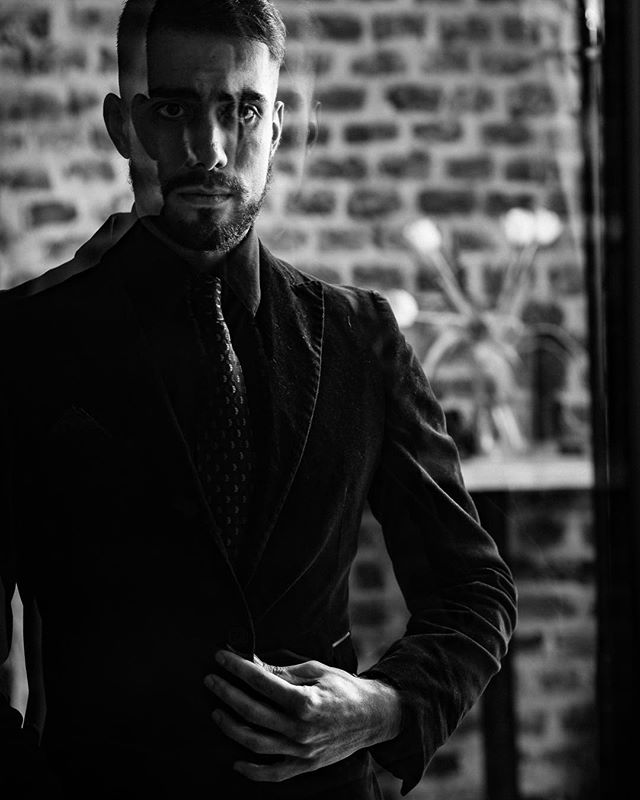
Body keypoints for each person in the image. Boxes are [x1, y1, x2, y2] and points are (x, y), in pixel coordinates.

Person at [0, 1, 517, 797]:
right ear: (123, 124)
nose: (210, 148)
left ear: (276, 126)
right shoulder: (25, 342)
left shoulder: (362, 338)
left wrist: (383, 707)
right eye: (174, 107)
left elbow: (474, 592)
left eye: (240, 109)